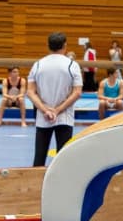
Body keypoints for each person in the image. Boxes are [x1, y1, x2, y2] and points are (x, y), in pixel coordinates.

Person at [26, 32, 83, 167]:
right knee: (63, 160)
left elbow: (30, 92)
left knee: (39, 158)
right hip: (64, 117)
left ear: (48, 46)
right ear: (65, 46)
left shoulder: (38, 65)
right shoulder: (72, 65)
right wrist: (57, 111)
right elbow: (77, 92)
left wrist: (46, 110)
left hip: (43, 117)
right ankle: (63, 187)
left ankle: (37, 186)